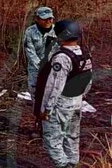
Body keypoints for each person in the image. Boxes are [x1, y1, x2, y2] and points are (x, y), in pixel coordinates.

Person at [34, 20, 93, 168]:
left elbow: (54, 86)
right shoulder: (85, 54)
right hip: (77, 102)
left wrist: (45, 110)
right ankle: (73, 163)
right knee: (72, 137)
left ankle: (64, 165)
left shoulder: (62, 57)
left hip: (61, 104)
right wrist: (80, 97)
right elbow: (88, 81)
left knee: (52, 141)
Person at [23, 6, 57, 95]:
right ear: (37, 19)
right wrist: (41, 67)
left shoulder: (57, 31)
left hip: (53, 67)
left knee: (51, 91)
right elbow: (30, 52)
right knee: (35, 91)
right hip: (35, 68)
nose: (48, 21)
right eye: (44, 19)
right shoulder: (30, 32)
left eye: (50, 18)